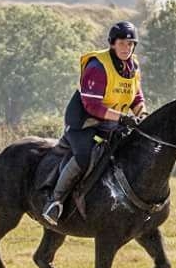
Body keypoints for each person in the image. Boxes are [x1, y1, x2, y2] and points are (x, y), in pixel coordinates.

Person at [42, 21, 147, 225]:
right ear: (113, 43)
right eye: (122, 43)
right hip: (84, 124)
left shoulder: (133, 66)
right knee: (85, 157)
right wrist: (122, 117)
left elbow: (136, 96)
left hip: (113, 124)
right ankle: (54, 202)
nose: (127, 48)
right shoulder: (97, 66)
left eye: (131, 44)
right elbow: (92, 106)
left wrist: (141, 113)